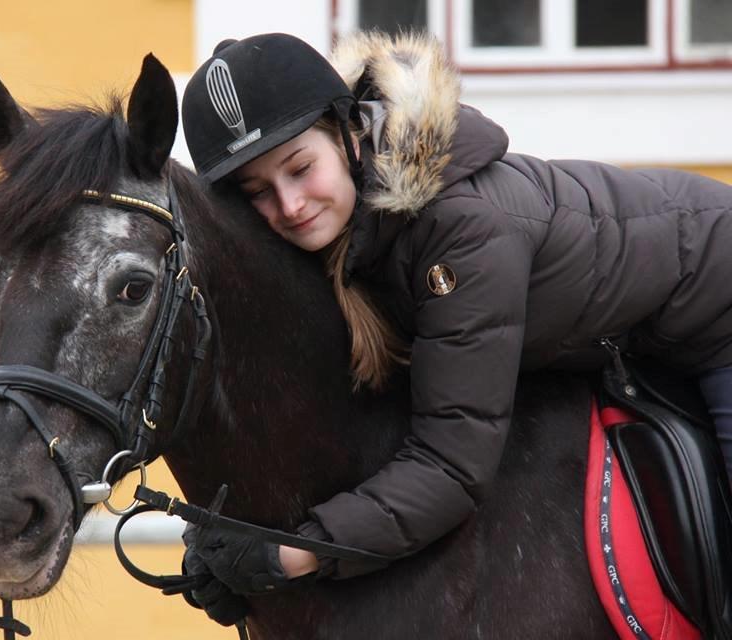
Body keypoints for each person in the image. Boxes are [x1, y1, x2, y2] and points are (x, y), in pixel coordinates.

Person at [178, 30, 732, 622]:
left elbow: (451, 468)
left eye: (300, 168)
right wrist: (228, 546)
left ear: (348, 134)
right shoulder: (330, 227)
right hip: (627, 332)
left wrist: (288, 559)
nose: (290, 206)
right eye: (259, 192)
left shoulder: (460, 231)